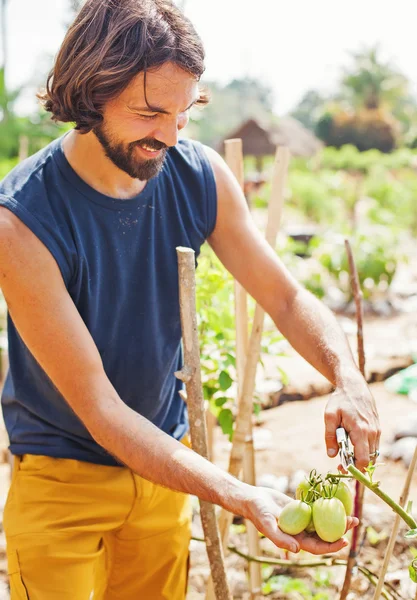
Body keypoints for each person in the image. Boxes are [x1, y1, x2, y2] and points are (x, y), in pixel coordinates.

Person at [0, 0, 379, 598]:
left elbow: (283, 296)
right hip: (61, 483)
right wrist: (238, 493)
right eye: (151, 113)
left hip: (166, 473)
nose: (171, 136)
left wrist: (347, 377)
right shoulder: (23, 221)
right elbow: (101, 411)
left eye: (184, 114)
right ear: (91, 92)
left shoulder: (198, 175)